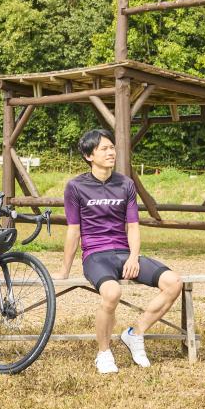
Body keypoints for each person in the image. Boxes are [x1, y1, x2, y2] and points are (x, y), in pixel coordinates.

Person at [58, 128, 182, 374]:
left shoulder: (125, 184)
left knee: (174, 282)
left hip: (124, 253)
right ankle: (104, 353)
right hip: (95, 255)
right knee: (112, 292)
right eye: (104, 148)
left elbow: (133, 227)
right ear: (88, 155)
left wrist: (134, 257)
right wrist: (64, 271)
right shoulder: (75, 187)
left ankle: (135, 333)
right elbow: (73, 231)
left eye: (112, 147)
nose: (111, 152)